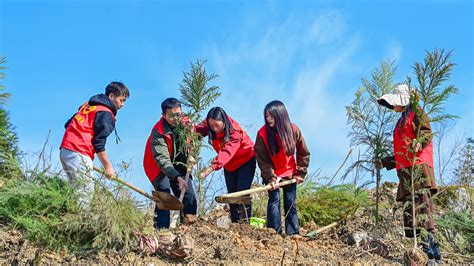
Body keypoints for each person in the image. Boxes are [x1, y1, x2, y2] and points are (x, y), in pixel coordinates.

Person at [375, 84, 440, 263]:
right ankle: (420, 256)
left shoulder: (416, 113)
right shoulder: (402, 120)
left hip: (419, 170)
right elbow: (401, 151)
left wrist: (419, 142)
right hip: (405, 174)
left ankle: (433, 256)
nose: (392, 106)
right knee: (412, 215)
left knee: (423, 213)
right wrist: (384, 162)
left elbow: (426, 132)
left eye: (394, 102)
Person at [60, 81, 129, 204]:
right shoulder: (106, 113)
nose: (122, 104)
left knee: (74, 191)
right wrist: (108, 167)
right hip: (79, 150)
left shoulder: (88, 106)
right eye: (121, 100)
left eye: (124, 101)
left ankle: (69, 218)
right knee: (85, 191)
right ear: (111, 96)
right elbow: (99, 143)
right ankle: (83, 222)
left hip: (65, 149)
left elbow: (68, 124)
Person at [254, 100, 310, 236]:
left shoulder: (293, 130)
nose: (268, 119)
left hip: (290, 173)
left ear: (280, 115)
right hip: (272, 174)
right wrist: (271, 178)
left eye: (271, 116)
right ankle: (274, 233)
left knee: (290, 202)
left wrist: (300, 173)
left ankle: (293, 233)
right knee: (274, 201)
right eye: (266, 116)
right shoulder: (262, 134)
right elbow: (262, 159)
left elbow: (303, 152)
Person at [143, 98, 197, 229]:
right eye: (171, 116)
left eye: (178, 114)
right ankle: (161, 232)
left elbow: (195, 141)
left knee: (188, 194)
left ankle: (187, 229)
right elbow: (162, 159)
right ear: (163, 115)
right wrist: (177, 177)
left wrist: (193, 155)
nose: (175, 118)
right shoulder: (158, 131)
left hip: (179, 164)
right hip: (158, 166)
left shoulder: (187, 124)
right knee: (164, 195)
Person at [196, 107, 256, 223]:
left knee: (242, 192)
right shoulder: (210, 123)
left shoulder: (235, 131)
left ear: (224, 121)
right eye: (211, 126)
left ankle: (244, 224)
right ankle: (235, 223)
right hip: (229, 165)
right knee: (232, 195)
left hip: (246, 160)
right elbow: (198, 129)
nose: (214, 129)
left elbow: (226, 152)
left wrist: (211, 167)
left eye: (217, 125)